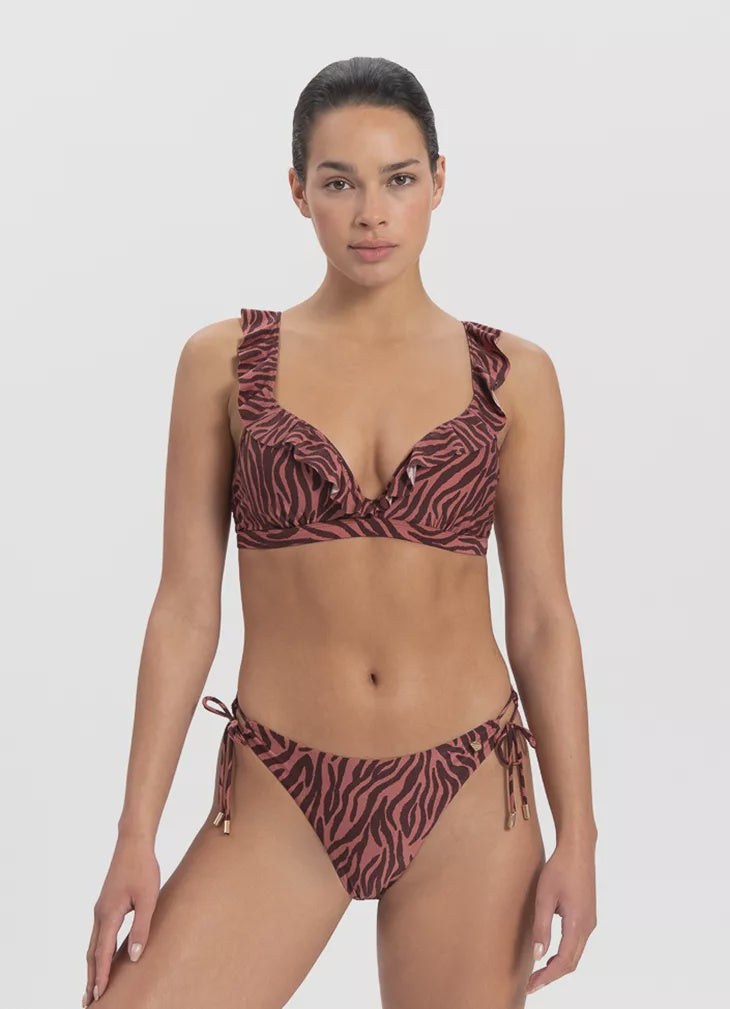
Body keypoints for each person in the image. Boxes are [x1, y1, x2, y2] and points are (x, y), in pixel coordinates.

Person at [83, 55, 597, 1008]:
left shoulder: (512, 377)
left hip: (468, 792)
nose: (371, 213)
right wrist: (134, 834)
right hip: (281, 792)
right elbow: (185, 609)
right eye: (339, 182)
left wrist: (581, 836)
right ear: (298, 191)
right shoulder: (225, 364)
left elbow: (541, 618)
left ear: (439, 181)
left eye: (398, 179)